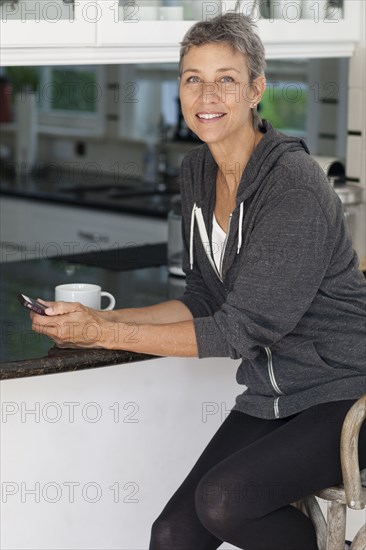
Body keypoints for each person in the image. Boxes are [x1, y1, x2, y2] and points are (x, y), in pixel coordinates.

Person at [30, 13, 366, 550]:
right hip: (273, 396)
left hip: (347, 396)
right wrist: (94, 321)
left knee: (224, 503)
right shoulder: (197, 172)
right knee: (172, 535)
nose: (207, 94)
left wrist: (104, 335)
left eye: (226, 79)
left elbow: (239, 332)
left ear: (256, 89)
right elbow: (205, 299)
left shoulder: (293, 187)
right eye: (193, 78)